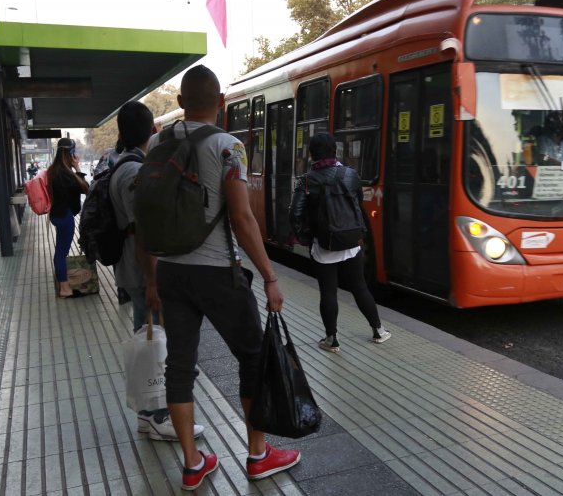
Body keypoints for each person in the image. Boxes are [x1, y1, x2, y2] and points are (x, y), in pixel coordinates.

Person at [147, 65, 299, 491]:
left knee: (180, 364)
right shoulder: (229, 147)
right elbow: (242, 217)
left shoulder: (159, 142)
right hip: (217, 273)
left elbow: (149, 215)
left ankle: (193, 464)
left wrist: (151, 278)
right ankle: (258, 454)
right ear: (221, 103)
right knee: (253, 357)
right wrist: (269, 276)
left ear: (179, 104)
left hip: (172, 271)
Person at [110, 101, 205, 442]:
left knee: (150, 339)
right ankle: (157, 415)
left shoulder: (121, 165)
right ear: (153, 131)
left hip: (133, 271)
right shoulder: (134, 171)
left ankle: (147, 414)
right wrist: (153, 282)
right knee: (155, 343)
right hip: (142, 274)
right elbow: (143, 232)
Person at [289, 132, 391, 353]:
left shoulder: (306, 181)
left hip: (324, 243)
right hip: (352, 241)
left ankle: (331, 340)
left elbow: (295, 213)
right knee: (359, 287)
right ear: (335, 152)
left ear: (311, 154)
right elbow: (356, 201)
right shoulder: (350, 174)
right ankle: (379, 330)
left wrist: (305, 237)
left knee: (328, 292)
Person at [47, 138, 89, 298]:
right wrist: (77, 167)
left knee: (60, 251)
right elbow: (85, 188)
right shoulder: (65, 173)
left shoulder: (53, 170)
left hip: (58, 214)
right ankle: (64, 288)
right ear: (70, 152)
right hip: (65, 216)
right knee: (61, 253)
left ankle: (63, 286)